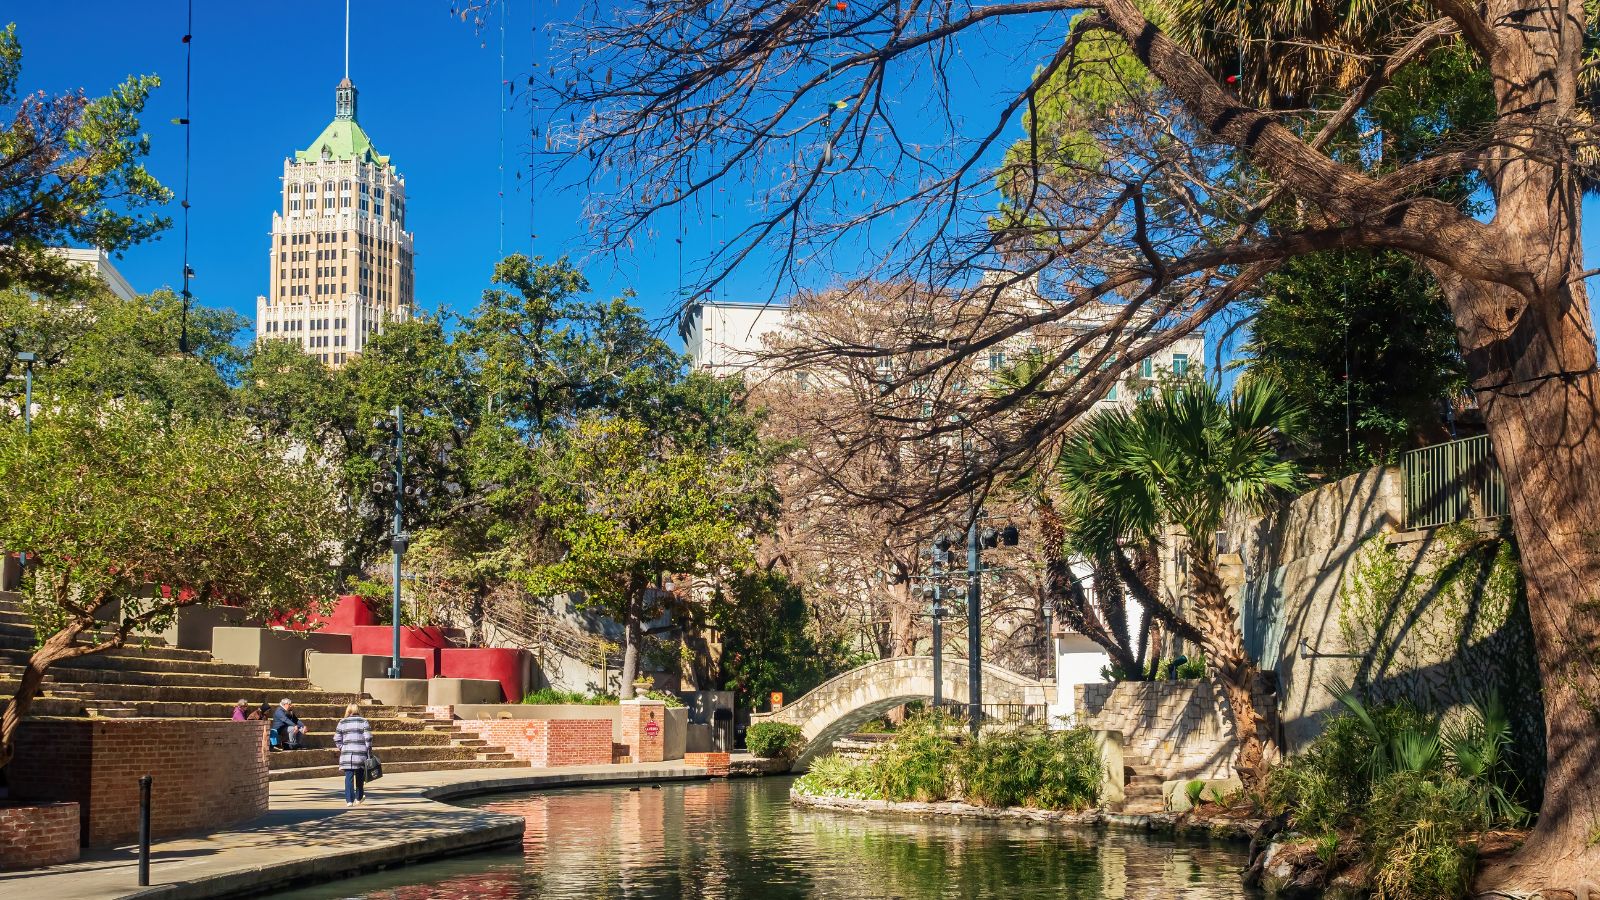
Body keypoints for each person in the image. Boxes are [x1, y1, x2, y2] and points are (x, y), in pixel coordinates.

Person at [334, 701, 373, 807]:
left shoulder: (342, 722)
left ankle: (349, 800)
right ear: (358, 710)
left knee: (348, 777)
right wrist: (368, 750)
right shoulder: (364, 721)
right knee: (360, 777)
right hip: (360, 753)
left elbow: (337, 738)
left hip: (347, 754)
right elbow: (368, 738)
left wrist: (342, 748)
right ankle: (358, 798)